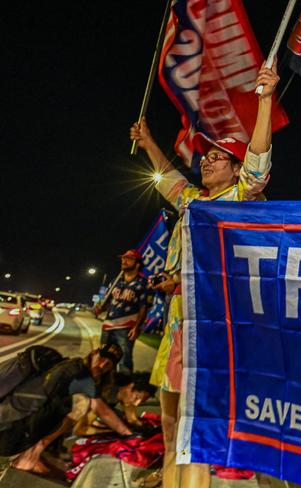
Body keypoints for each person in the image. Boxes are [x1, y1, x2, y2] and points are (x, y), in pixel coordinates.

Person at [129, 60, 280, 488]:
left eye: (220, 157)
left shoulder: (238, 198)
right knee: (169, 409)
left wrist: (265, 101)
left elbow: (258, 165)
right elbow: (167, 180)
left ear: (235, 171)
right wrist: (149, 142)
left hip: (210, 324)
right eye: (208, 155)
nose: (209, 160)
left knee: (195, 423)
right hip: (177, 319)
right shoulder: (194, 199)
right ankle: (166, 477)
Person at [1, 344, 133, 476]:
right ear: (94, 355)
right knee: (81, 402)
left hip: (10, 428)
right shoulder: (82, 377)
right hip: (11, 437)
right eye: (102, 358)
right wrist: (128, 434)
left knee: (64, 405)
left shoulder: (72, 364)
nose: (103, 365)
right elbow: (102, 411)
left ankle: (38, 452)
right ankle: (29, 457)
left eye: (109, 364)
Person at [96, 249, 152, 373]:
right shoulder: (116, 281)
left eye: (128, 259)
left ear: (137, 264)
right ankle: (105, 385)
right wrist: (100, 308)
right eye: (123, 258)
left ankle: (122, 387)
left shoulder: (143, 284)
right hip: (108, 326)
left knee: (124, 361)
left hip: (126, 328)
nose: (124, 261)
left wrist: (137, 327)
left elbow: (144, 307)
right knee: (104, 358)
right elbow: (107, 301)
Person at [73, 371, 157, 436]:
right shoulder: (103, 394)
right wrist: (111, 432)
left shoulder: (127, 394)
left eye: (141, 401)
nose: (137, 404)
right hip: (82, 409)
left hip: (100, 409)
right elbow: (80, 430)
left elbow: (131, 419)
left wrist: (146, 429)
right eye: (137, 398)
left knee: (120, 418)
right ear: (130, 386)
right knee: (114, 421)